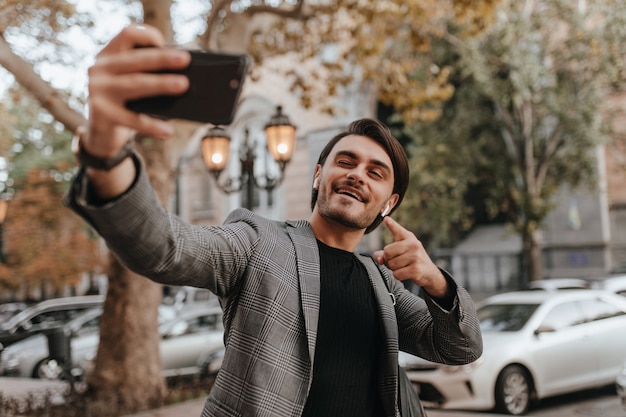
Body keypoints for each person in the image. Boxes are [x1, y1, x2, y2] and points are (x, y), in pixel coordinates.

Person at [64, 24, 483, 417]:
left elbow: (460, 349)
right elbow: (164, 248)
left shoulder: (383, 285)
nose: (357, 174)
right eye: (346, 161)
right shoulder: (258, 242)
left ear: (388, 203)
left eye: (376, 172)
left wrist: (437, 283)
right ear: (319, 176)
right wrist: (105, 154)